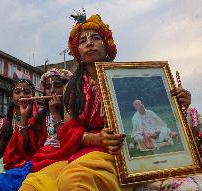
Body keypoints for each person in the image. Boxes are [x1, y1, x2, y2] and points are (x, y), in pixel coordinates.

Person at [19, 13, 192, 191]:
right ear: (77, 52)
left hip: (116, 152)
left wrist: (178, 104)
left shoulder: (124, 79)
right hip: (81, 151)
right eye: (82, 41)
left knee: (74, 181)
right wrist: (96, 138)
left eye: (95, 38)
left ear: (107, 45)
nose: (89, 43)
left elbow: (143, 114)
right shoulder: (73, 87)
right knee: (32, 186)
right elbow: (68, 129)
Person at [0, 68, 72, 191]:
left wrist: (55, 113)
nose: (52, 90)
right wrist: (24, 117)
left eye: (57, 86)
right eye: (47, 87)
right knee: (2, 180)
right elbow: (27, 146)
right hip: (40, 159)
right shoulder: (41, 117)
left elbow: (68, 142)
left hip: (62, 159)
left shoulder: (73, 112)